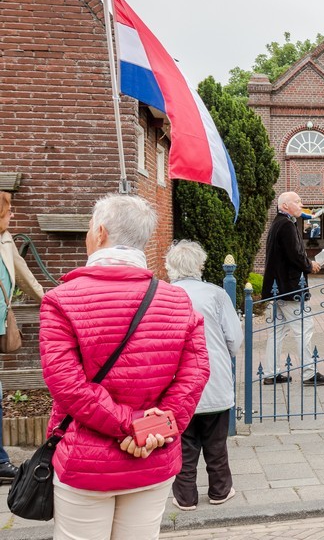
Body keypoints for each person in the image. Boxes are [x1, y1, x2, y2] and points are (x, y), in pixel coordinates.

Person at [40, 194, 209, 539]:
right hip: (153, 455)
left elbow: (67, 384)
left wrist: (128, 426)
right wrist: (152, 429)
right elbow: (195, 374)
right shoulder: (178, 299)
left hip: (86, 461)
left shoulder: (61, 300)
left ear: (100, 232)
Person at [166, 241, 242, 510]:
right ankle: (220, 490)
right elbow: (234, 338)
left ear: (170, 266)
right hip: (214, 378)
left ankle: (185, 496)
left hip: (177, 384)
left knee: (183, 444)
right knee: (216, 443)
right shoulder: (216, 295)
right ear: (200, 265)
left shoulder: (163, 296)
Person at [261, 192, 324, 386]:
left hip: (278, 288)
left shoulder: (278, 223)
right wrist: (310, 265)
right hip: (290, 288)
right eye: (297, 201)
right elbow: (295, 255)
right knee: (304, 328)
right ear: (285, 205)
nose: (301, 204)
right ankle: (308, 373)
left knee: (277, 331)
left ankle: (271, 373)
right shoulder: (286, 225)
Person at [0, 191, 45, 483]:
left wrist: (50, 301)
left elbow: (25, 275)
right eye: (8, 211)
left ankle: (0, 461)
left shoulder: (5, 240)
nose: (13, 215)